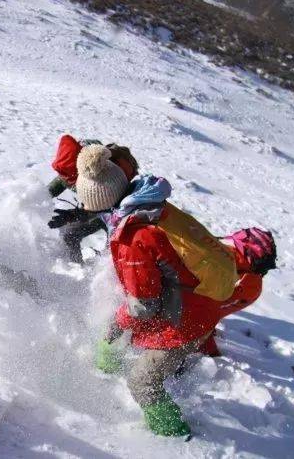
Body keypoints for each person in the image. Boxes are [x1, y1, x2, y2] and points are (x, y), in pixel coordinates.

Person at [73, 145, 276, 437]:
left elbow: (144, 304)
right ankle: (111, 367)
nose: (83, 206)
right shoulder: (152, 206)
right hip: (199, 301)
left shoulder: (133, 236)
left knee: (142, 382)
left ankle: (176, 437)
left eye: (85, 201)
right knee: (127, 328)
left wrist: (115, 325)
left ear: (100, 201)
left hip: (189, 318)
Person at [46, 135, 138, 263]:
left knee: (114, 247)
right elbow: (50, 190)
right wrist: (33, 201)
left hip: (117, 212)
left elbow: (106, 207)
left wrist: (75, 214)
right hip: (100, 209)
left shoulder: (106, 175)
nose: (70, 182)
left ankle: (108, 269)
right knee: (69, 235)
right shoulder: (71, 169)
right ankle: (76, 268)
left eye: (73, 179)